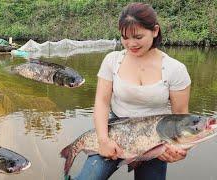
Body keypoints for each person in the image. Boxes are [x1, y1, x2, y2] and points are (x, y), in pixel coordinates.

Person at [75, 2, 191, 180]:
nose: (131, 44)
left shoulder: (175, 69)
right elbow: (101, 102)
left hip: (156, 136)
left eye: (137, 37)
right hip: (116, 129)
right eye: (125, 37)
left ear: (155, 31)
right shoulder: (112, 61)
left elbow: (181, 117)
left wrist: (180, 149)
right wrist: (103, 140)